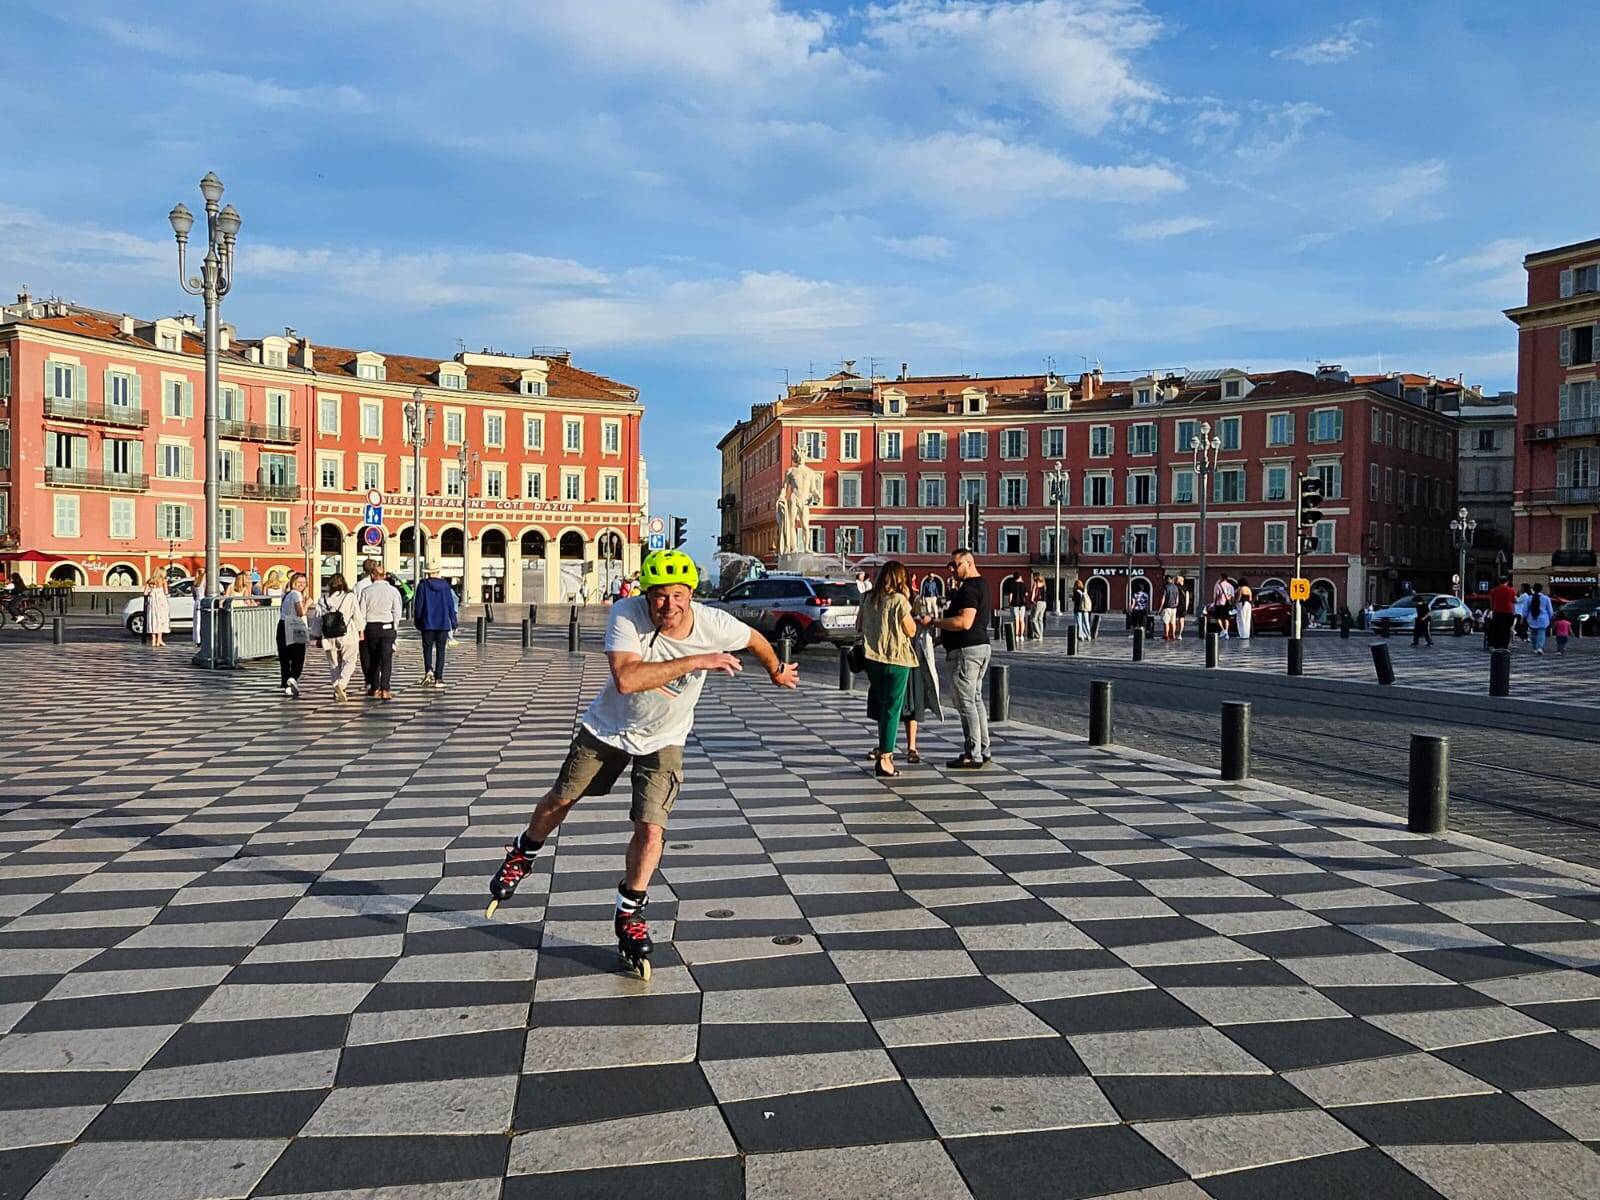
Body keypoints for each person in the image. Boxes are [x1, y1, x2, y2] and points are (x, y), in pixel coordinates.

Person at [485, 549, 797, 979]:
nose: (668, 606)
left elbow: (754, 639)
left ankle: (630, 909)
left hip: (665, 739)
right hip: (608, 730)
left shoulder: (714, 623)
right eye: (658, 597)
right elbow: (627, 679)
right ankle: (524, 851)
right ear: (646, 596)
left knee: (652, 827)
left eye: (677, 596)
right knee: (563, 798)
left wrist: (777, 669)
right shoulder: (627, 614)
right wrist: (698, 660)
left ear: (691, 594)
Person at [920, 548, 991, 769]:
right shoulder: (983, 585)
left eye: (955, 565)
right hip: (979, 647)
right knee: (976, 700)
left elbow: (964, 622)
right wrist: (940, 640)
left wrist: (933, 621)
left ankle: (973, 753)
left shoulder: (969, 588)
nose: (951, 569)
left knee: (966, 703)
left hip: (965, 651)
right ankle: (983, 748)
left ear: (968, 563)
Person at [858, 560, 919, 778]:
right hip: (897, 659)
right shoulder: (899, 600)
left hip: (872, 658)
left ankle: (885, 752)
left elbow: (858, 626)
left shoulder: (868, 598)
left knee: (884, 706)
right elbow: (911, 630)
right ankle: (886, 758)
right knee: (892, 709)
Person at [310, 573, 363, 703]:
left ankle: (336, 688)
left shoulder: (323, 599)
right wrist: (361, 630)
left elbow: (317, 619)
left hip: (328, 636)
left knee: (334, 663)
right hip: (347, 633)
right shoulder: (349, 596)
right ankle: (342, 684)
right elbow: (357, 614)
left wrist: (316, 636)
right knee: (349, 660)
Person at [360, 569, 406, 700]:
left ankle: (374, 688)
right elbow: (397, 611)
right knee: (386, 659)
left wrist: (362, 629)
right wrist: (395, 626)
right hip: (388, 626)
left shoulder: (366, 591)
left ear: (373, 576)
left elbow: (362, 613)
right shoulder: (393, 591)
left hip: (371, 626)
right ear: (385, 576)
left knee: (374, 658)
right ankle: (385, 689)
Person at [413, 561, 459, 688]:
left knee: (427, 648)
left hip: (427, 623)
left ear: (427, 573)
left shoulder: (422, 585)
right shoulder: (446, 586)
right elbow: (451, 605)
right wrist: (454, 622)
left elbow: (418, 606)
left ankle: (428, 670)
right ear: (438, 572)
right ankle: (439, 678)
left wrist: (417, 621)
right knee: (441, 651)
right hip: (443, 623)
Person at [277, 572, 310, 696]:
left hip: (282, 624)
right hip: (295, 625)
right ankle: (293, 677)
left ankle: (286, 682)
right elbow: (301, 612)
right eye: (299, 582)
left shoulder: (286, 594)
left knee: (285, 656)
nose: (302, 585)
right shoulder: (296, 594)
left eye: (304, 583)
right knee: (298, 655)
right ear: (293, 583)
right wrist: (308, 603)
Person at [354, 559, 385, 691]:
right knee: (379, 652)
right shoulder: (384, 586)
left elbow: (355, 606)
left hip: (364, 623)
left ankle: (369, 680)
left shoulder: (358, 586)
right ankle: (376, 680)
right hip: (382, 623)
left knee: (365, 654)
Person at [1487, 577, 1517, 650]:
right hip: (1508, 612)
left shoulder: (1493, 590)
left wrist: (1491, 608)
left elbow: (1491, 602)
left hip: (1497, 612)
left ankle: (1496, 645)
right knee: (1506, 629)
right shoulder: (1511, 590)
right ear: (1507, 581)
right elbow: (1515, 600)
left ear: (1498, 581)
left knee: (1496, 629)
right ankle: (1504, 646)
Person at [1527, 583, 1554, 655]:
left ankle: (1534, 648)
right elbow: (1550, 610)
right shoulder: (1546, 598)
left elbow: (1525, 609)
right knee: (1541, 634)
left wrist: (1524, 617)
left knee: (1533, 634)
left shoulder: (1529, 598)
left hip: (1532, 618)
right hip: (1543, 618)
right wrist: (1551, 617)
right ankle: (1539, 647)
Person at [145, 578, 171, 648]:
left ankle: (153, 640)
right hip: (161, 604)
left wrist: (150, 590)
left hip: (152, 605)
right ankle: (159, 640)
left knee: (153, 620)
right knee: (161, 621)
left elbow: (145, 593)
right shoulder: (163, 581)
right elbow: (166, 592)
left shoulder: (150, 584)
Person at [1007, 574, 1028, 643]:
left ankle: (1016, 635)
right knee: (1021, 620)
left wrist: (1009, 603)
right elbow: (1026, 594)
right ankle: (1021, 635)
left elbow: (1010, 596)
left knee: (1016, 619)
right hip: (1022, 605)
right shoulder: (1023, 585)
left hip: (1014, 604)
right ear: (1019, 577)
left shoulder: (1011, 585)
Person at [1028, 572, 1047, 643]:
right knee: (1040, 620)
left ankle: (1038, 635)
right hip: (1044, 603)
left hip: (1038, 602)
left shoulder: (1036, 583)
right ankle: (1040, 635)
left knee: (1033, 619)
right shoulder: (1044, 584)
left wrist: (1032, 600)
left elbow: (1033, 592)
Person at [1161, 575, 1181, 641]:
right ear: (1171, 580)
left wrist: (1160, 608)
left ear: (1166, 580)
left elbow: (1163, 598)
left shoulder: (1165, 587)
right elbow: (1177, 598)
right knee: (1173, 622)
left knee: (1166, 622)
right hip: (1174, 607)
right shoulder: (1175, 587)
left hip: (1167, 607)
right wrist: (1176, 604)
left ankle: (1166, 635)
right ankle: (1173, 635)